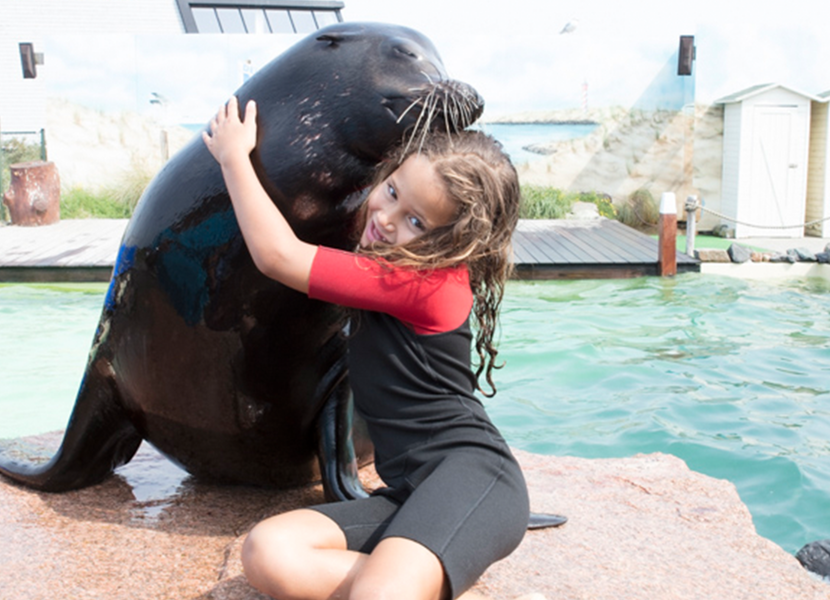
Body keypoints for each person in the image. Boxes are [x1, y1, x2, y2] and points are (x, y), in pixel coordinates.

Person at [202, 96, 533, 600]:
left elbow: (277, 255)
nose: (387, 217)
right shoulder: (393, 268)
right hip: (410, 494)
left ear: (453, 243)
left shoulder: (426, 283)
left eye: (417, 222)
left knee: (380, 593)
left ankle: (402, 581)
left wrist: (234, 158)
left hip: (472, 477)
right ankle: (414, 581)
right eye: (393, 190)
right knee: (267, 551)